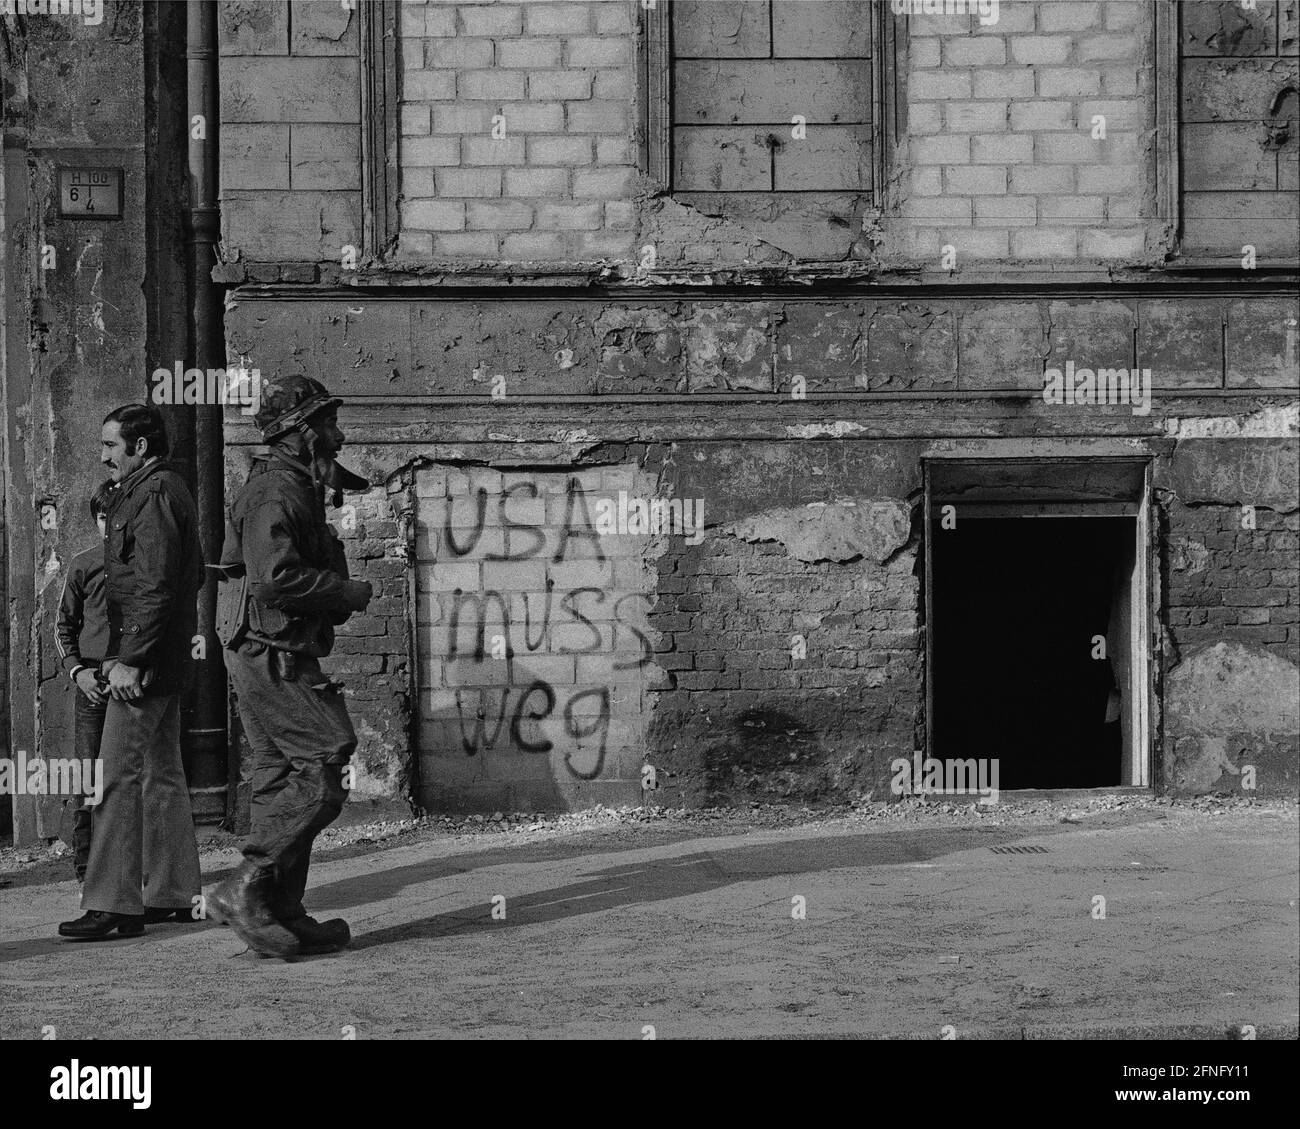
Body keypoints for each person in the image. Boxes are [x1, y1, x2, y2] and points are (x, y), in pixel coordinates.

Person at [206, 375, 372, 958]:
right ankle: (242, 887)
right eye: (326, 423)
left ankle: (279, 914)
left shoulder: (296, 484)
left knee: (279, 779)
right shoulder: (275, 492)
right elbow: (274, 579)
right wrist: (346, 592)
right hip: (266, 649)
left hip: (269, 646)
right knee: (325, 759)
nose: (337, 433)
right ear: (300, 433)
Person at [58, 405, 203, 940]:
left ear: (141, 447)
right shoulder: (159, 491)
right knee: (162, 773)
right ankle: (170, 892)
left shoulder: (155, 494)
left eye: (111, 446)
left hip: (141, 667)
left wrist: (129, 659)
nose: (104, 456)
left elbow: (157, 585)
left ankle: (113, 904)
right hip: (161, 662)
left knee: (114, 777)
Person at [55, 480, 116, 882]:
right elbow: (63, 628)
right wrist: (80, 673)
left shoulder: (142, 566)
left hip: (131, 682)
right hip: (93, 684)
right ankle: (86, 868)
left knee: (132, 778)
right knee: (88, 774)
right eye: (102, 517)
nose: (109, 525)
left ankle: (129, 869)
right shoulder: (84, 563)